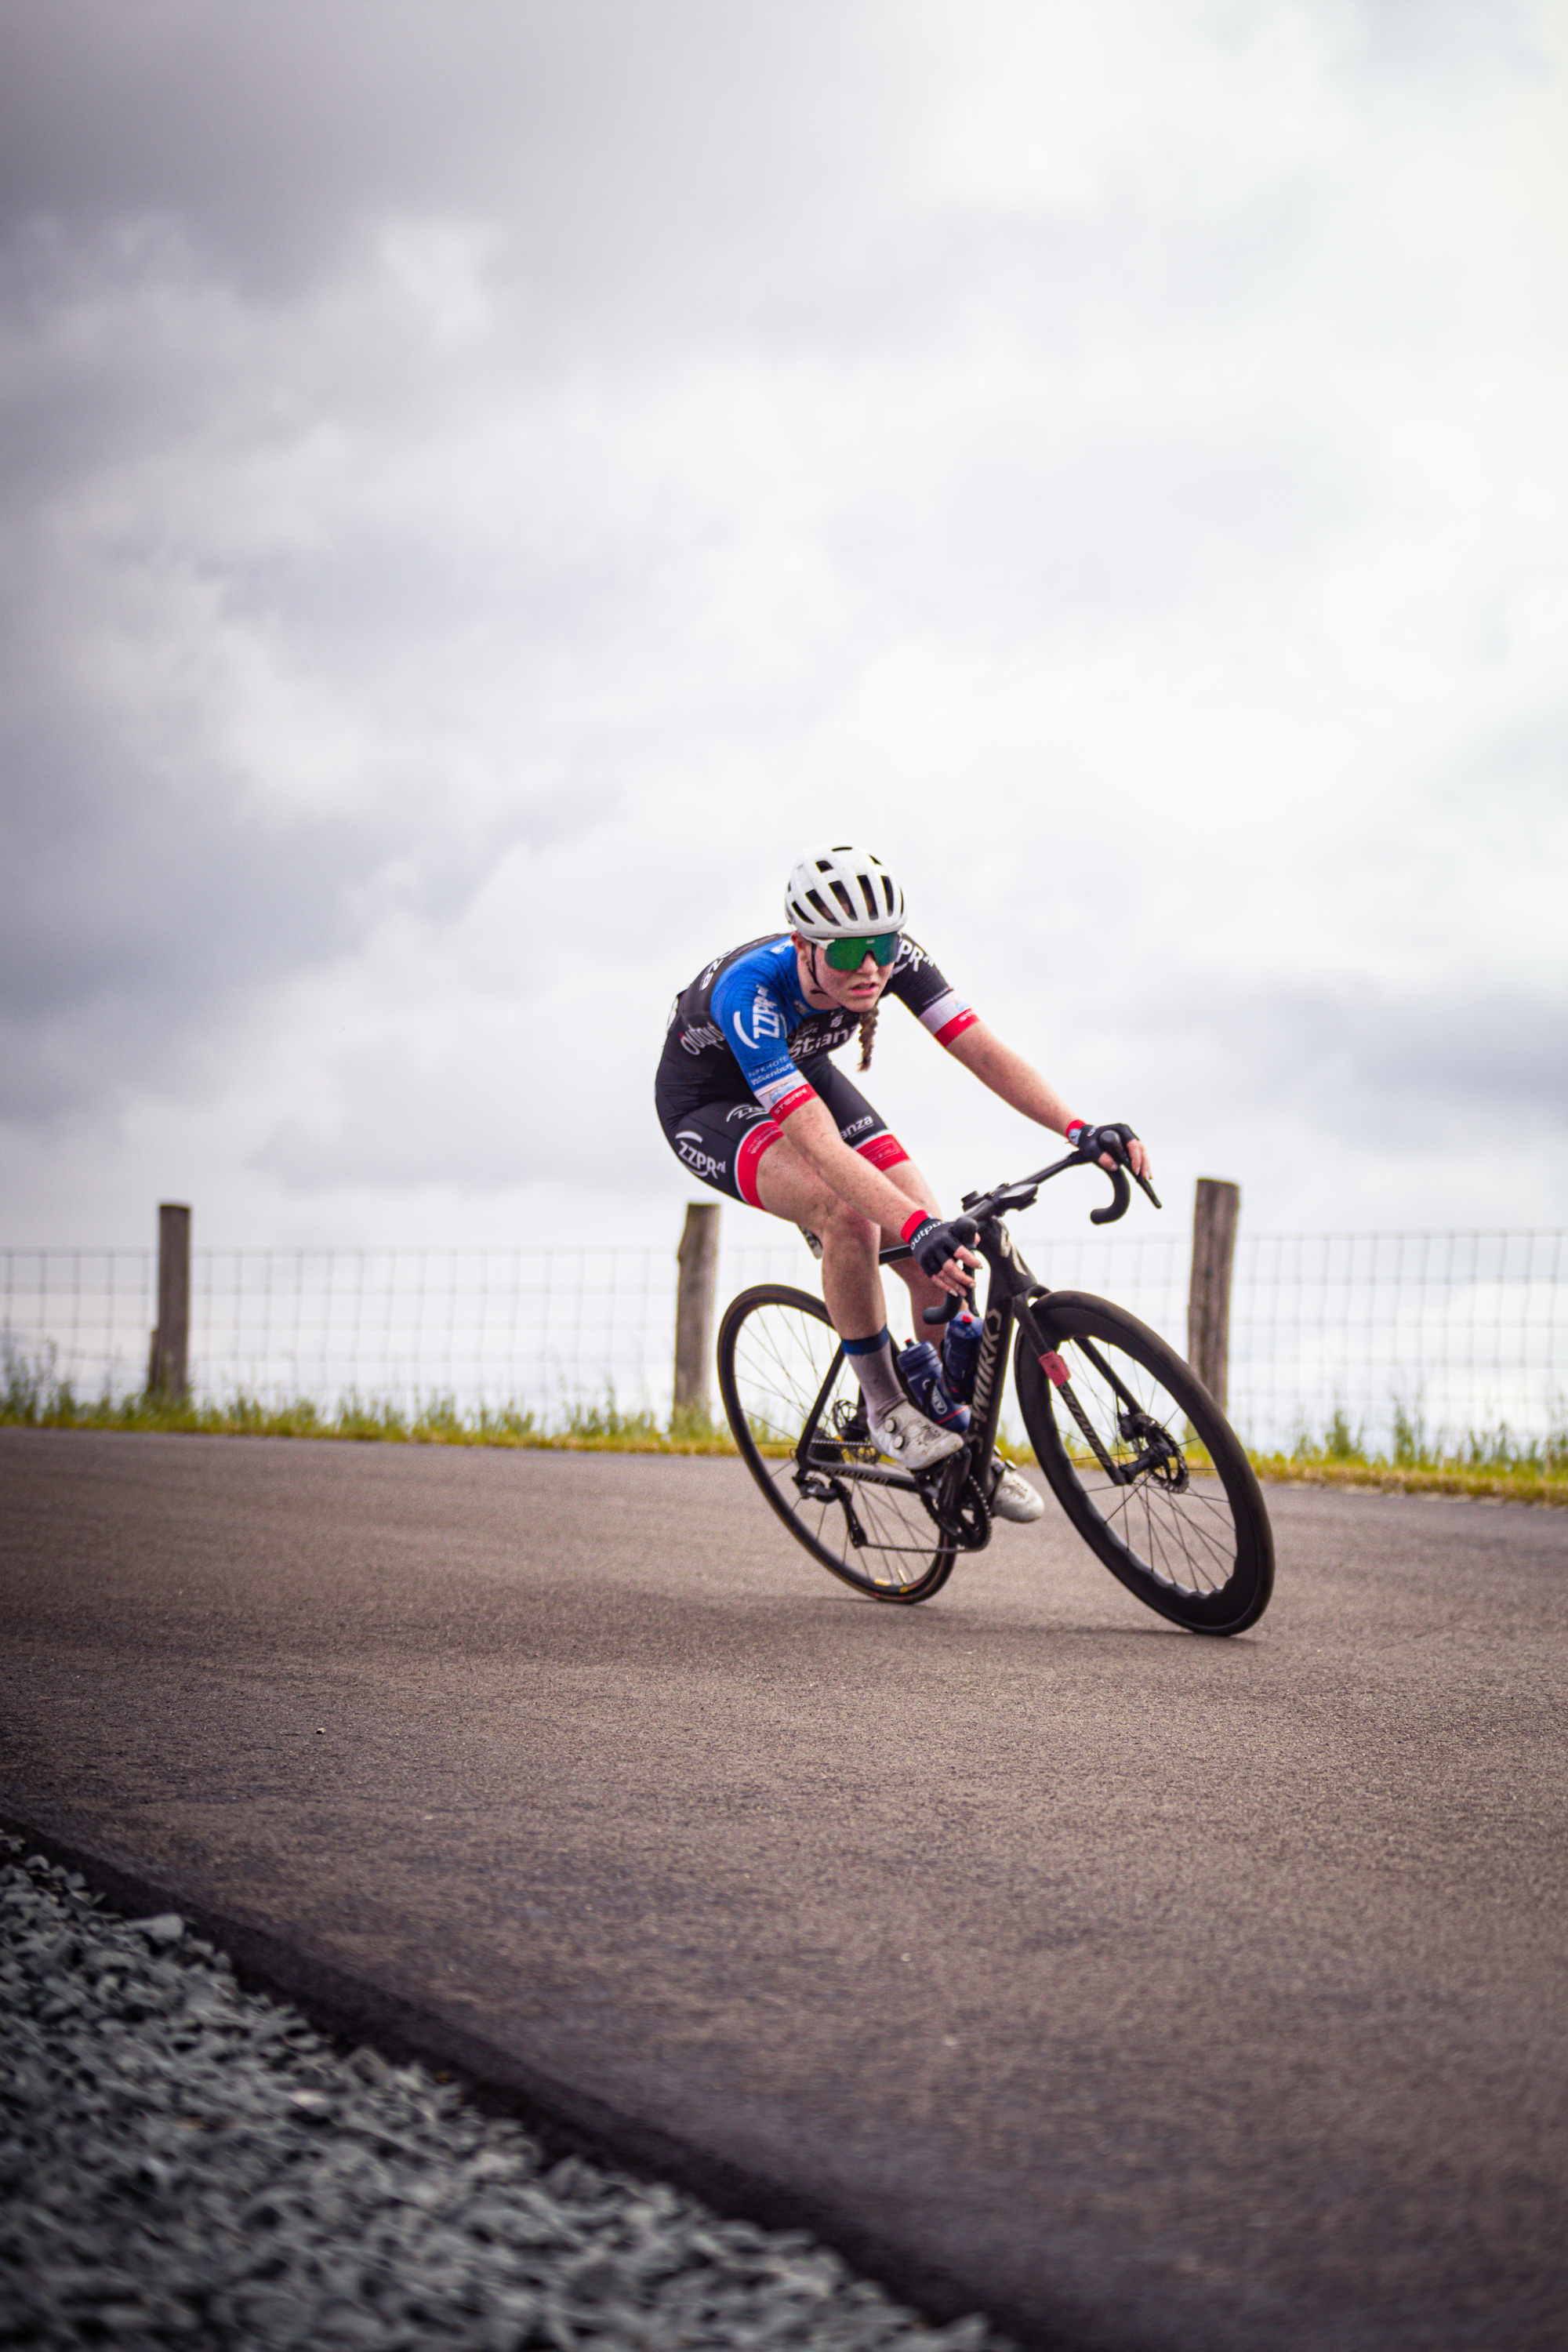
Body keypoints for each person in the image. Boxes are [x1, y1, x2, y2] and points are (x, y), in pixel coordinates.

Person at [655, 844, 1152, 1524]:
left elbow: (980, 1049)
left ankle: (951, 1434)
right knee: (849, 1215)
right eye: (848, 952)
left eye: (882, 946)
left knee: (937, 1246)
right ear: (804, 946)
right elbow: (820, 1146)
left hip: (803, 1073)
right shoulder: (751, 994)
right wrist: (913, 1231)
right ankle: (887, 1408)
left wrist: (1078, 1128)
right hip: (709, 1105)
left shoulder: (895, 961)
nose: (869, 967)